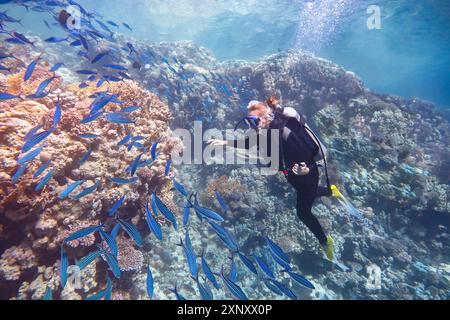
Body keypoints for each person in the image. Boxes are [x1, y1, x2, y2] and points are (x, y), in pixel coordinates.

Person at [208, 97, 335, 261]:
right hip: (292, 175)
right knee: (308, 194)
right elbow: (248, 143)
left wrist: (306, 170)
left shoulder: (285, 133)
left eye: (255, 120)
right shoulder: (264, 132)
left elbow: (308, 153)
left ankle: (325, 242)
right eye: (249, 121)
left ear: (266, 117)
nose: (252, 125)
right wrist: (225, 143)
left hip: (307, 176)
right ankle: (331, 191)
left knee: (303, 212)